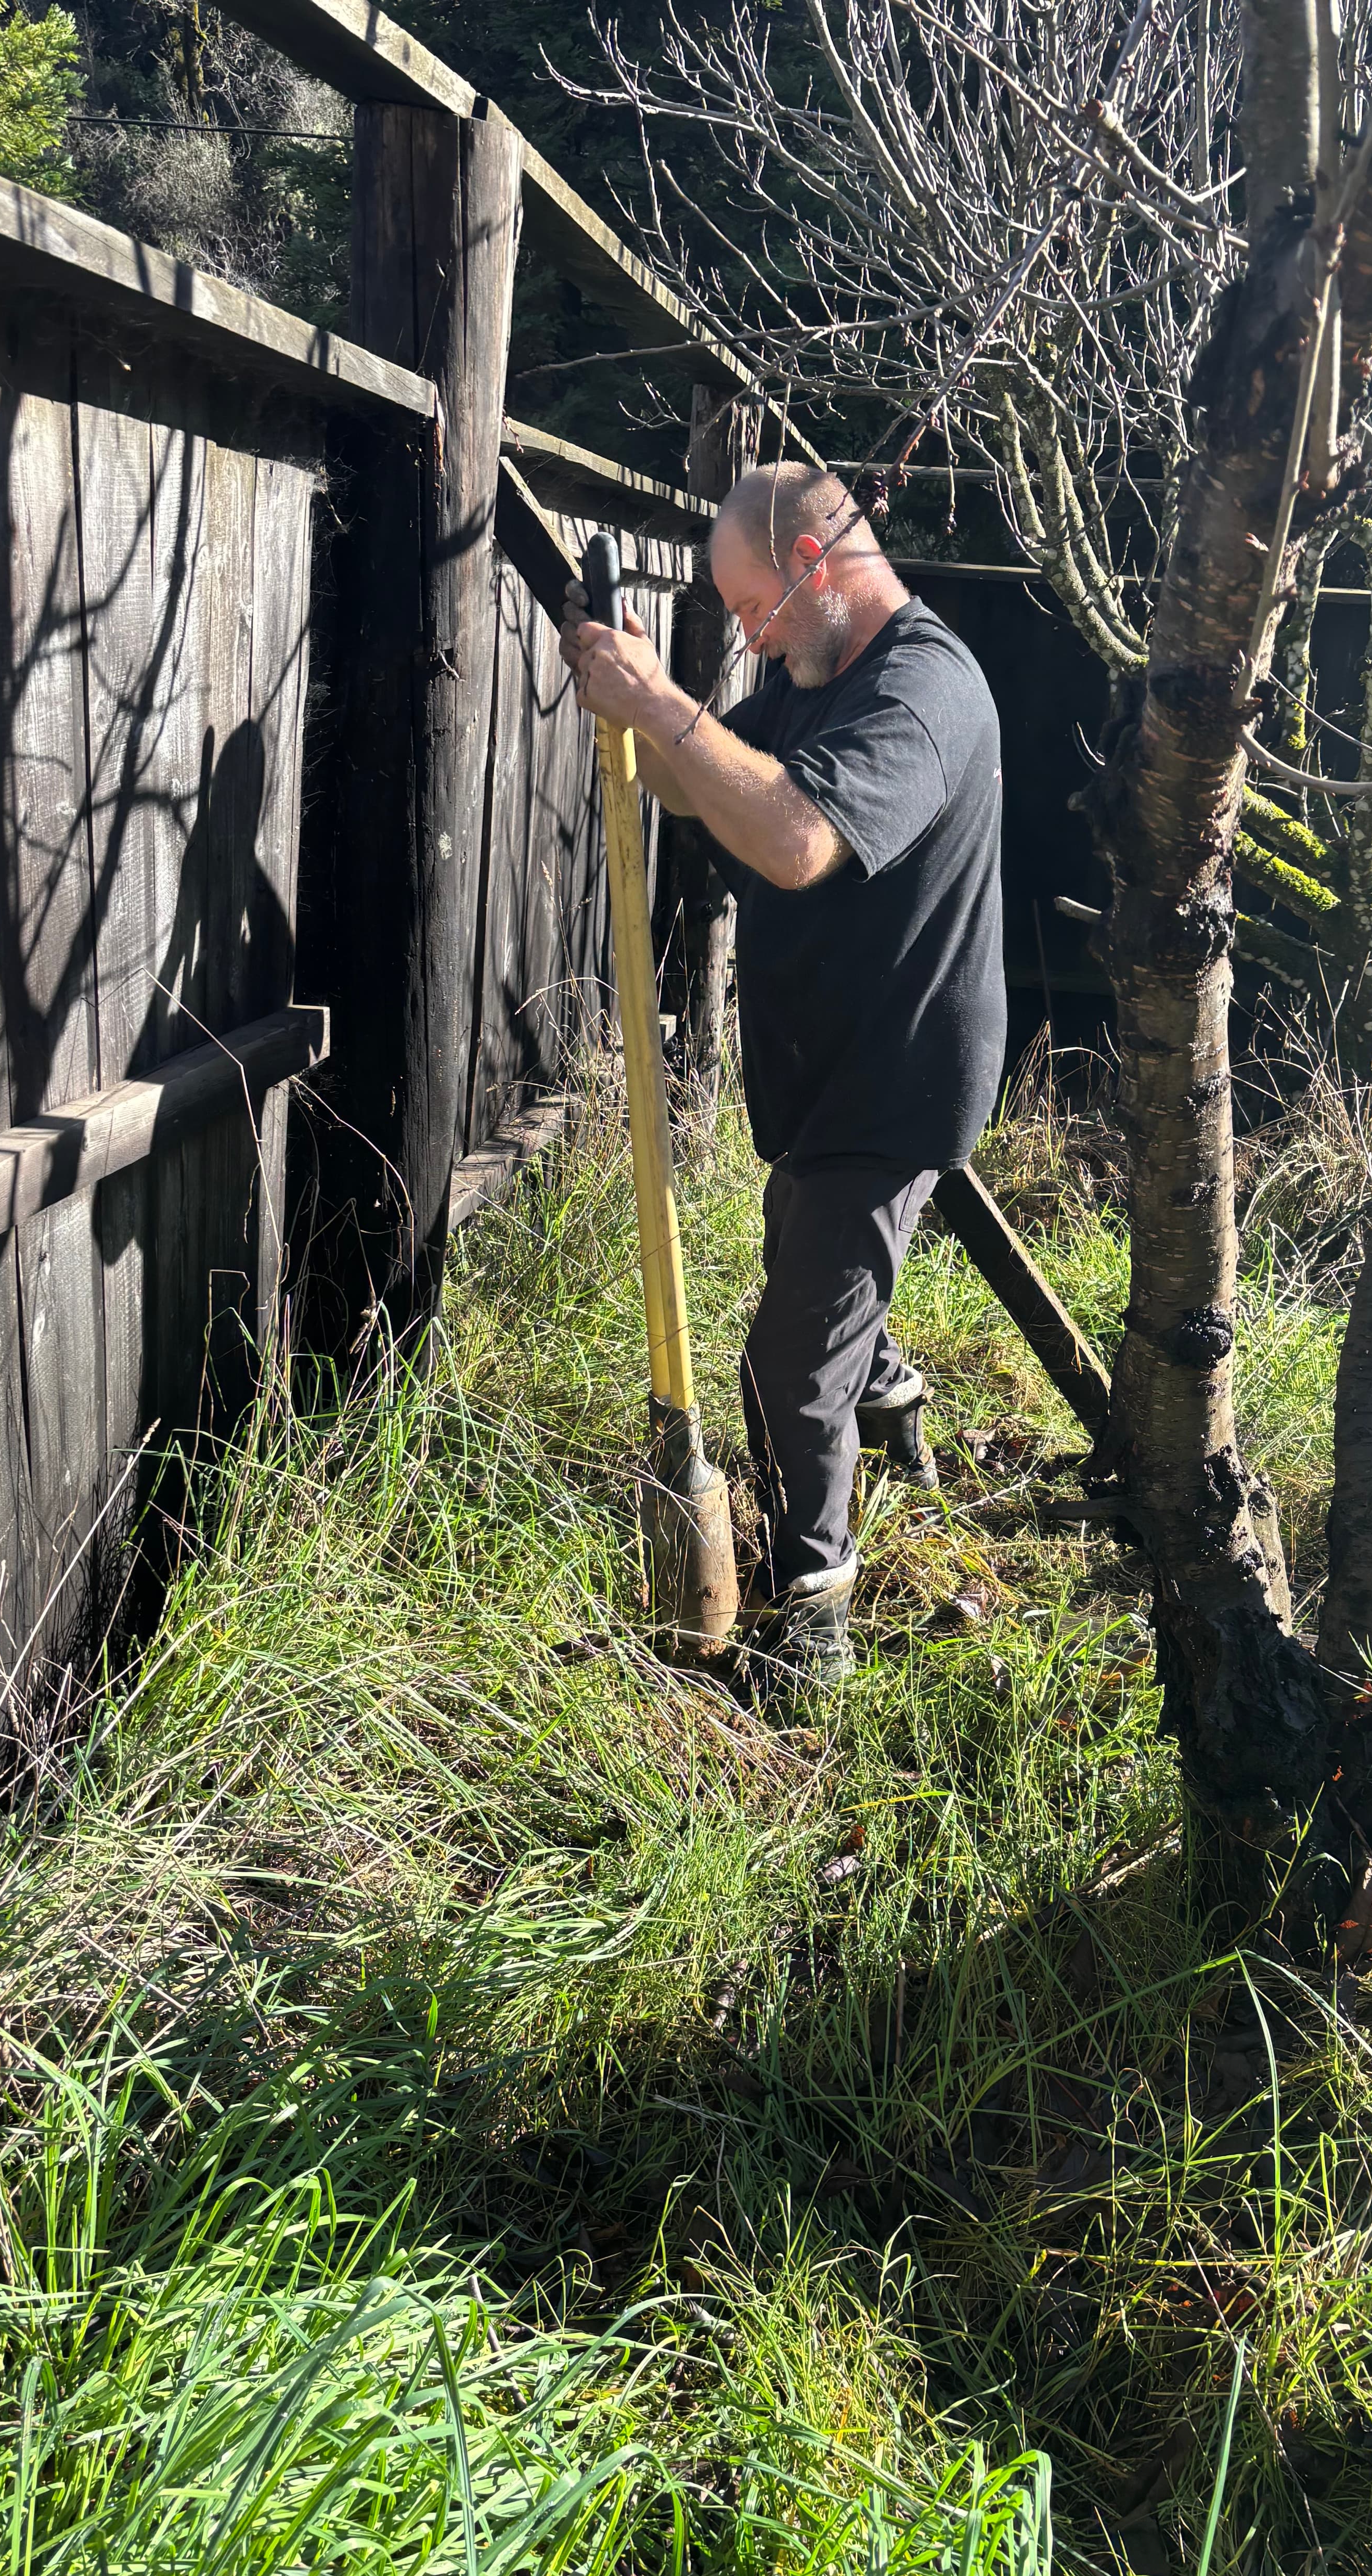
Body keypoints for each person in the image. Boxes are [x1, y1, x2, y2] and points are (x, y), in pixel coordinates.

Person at [561, 462, 1004, 1683]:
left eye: (751, 604)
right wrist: (636, 695)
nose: (745, 633)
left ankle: (813, 1637)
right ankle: (895, 1407)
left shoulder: (922, 691)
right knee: (821, 1280)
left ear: (816, 566)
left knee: (786, 1371)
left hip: (896, 1080)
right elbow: (686, 777)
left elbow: (801, 838)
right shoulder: (809, 678)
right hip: (825, 1073)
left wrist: (662, 706)